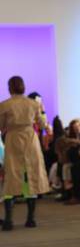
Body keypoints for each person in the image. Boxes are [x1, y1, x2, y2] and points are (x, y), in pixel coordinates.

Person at [0, 76, 49, 230]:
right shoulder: (34, 104)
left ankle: (8, 220)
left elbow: (1, 126)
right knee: (31, 176)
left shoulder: (4, 105)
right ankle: (31, 219)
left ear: (10, 87)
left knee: (11, 175)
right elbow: (42, 124)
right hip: (30, 139)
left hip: (13, 139)